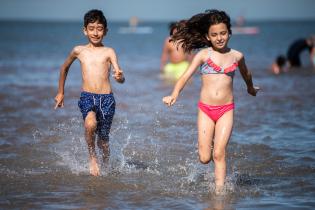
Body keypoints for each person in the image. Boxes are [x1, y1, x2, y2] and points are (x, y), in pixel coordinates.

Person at [162, 9, 259, 194]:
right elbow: (184, 77)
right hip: (206, 110)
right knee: (205, 157)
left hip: (226, 110)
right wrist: (174, 94)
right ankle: (211, 147)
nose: (219, 38)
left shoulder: (237, 56)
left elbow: (247, 73)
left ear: (229, 33)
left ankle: (219, 194)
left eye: (223, 33)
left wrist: (250, 88)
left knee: (219, 154)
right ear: (207, 36)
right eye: (214, 34)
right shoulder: (203, 55)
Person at [54, 9, 125, 176]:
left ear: (105, 31)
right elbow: (64, 68)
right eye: (91, 28)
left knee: (104, 142)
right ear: (84, 30)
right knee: (90, 123)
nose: (95, 32)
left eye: (99, 28)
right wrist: (60, 92)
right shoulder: (79, 51)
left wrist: (119, 77)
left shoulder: (109, 52)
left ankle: (107, 166)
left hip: (107, 99)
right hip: (87, 96)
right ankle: (92, 158)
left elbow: (120, 76)